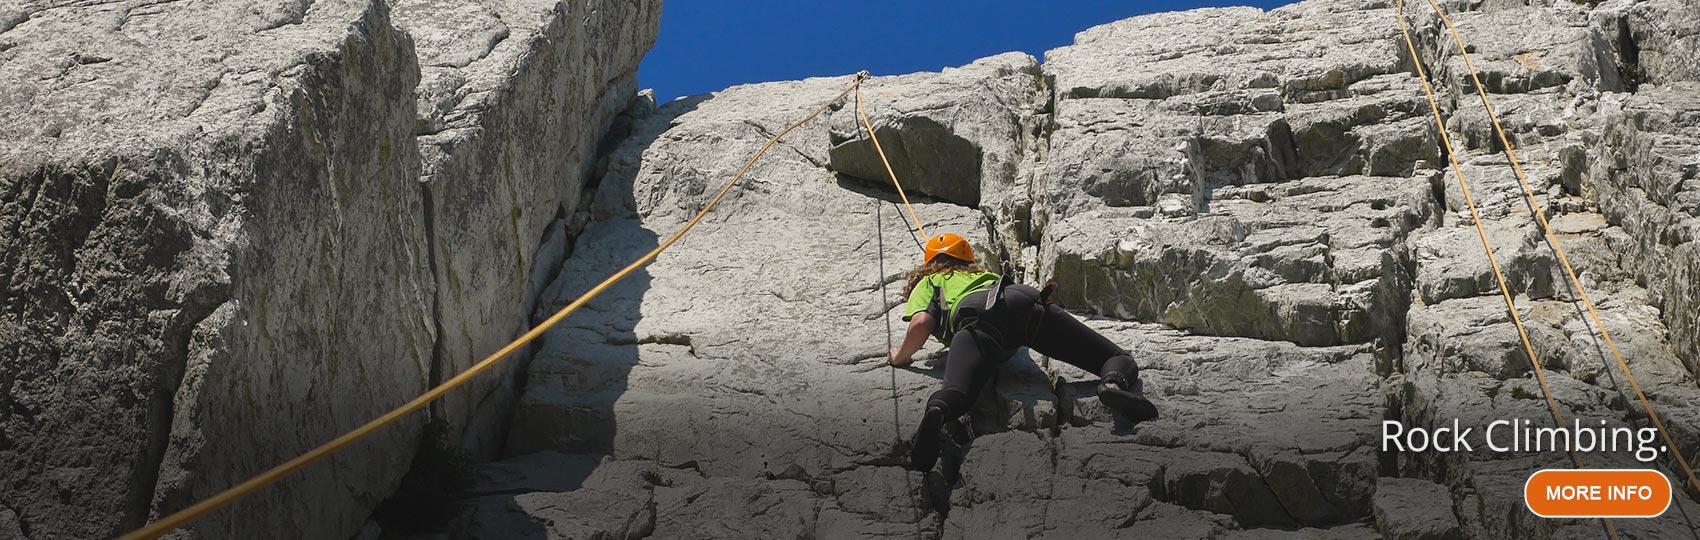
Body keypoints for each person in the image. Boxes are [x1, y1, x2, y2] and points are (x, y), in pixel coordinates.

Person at [888, 232, 1158, 472]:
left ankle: (937, 411)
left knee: (956, 395)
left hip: (978, 322)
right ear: (967, 259)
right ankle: (1111, 383)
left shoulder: (931, 281)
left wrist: (900, 356)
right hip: (1023, 302)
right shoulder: (982, 275)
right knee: (1116, 357)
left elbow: (921, 323)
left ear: (928, 264)